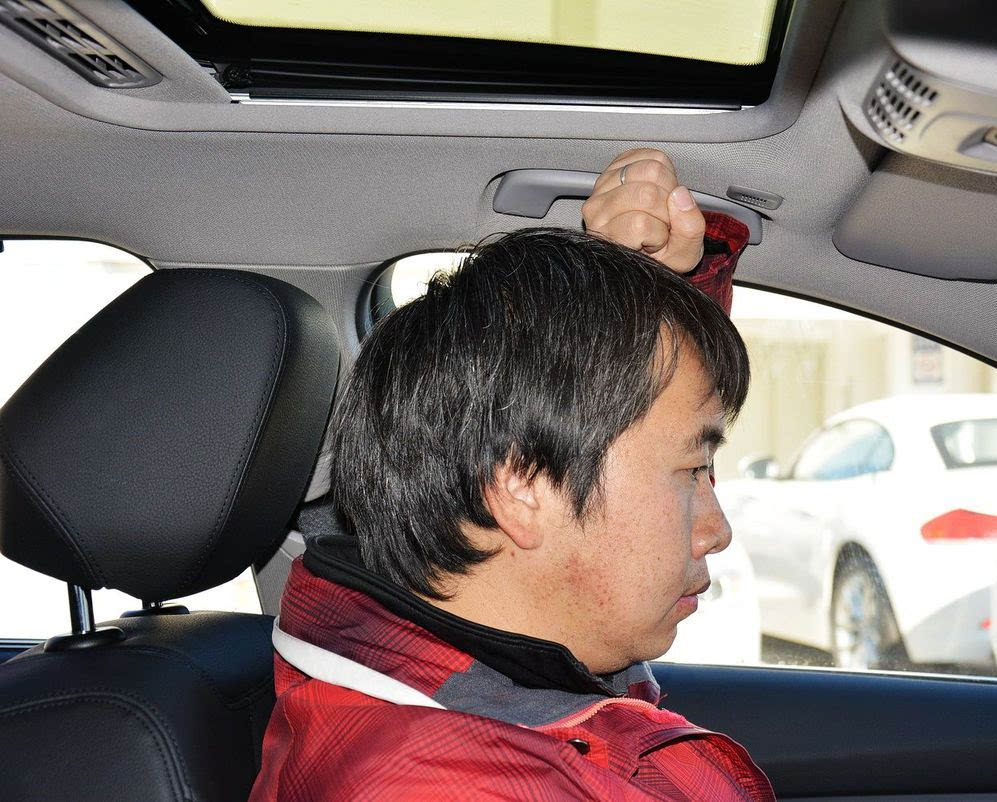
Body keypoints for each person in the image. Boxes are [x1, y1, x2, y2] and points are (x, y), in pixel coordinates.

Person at [249, 149, 775, 801]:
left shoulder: (497, 679)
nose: (716, 531)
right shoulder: (442, 788)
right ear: (522, 488)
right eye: (693, 470)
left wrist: (631, 302)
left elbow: (642, 429)